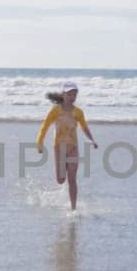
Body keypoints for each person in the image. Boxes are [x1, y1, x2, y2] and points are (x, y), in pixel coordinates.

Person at [36, 82, 98, 210]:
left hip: (73, 148)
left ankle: (73, 208)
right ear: (64, 94)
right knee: (60, 180)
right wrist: (39, 143)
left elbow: (84, 127)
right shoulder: (55, 111)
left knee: (72, 179)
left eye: (74, 94)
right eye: (70, 94)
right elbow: (45, 126)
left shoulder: (78, 112)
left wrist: (92, 140)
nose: (72, 96)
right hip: (59, 148)